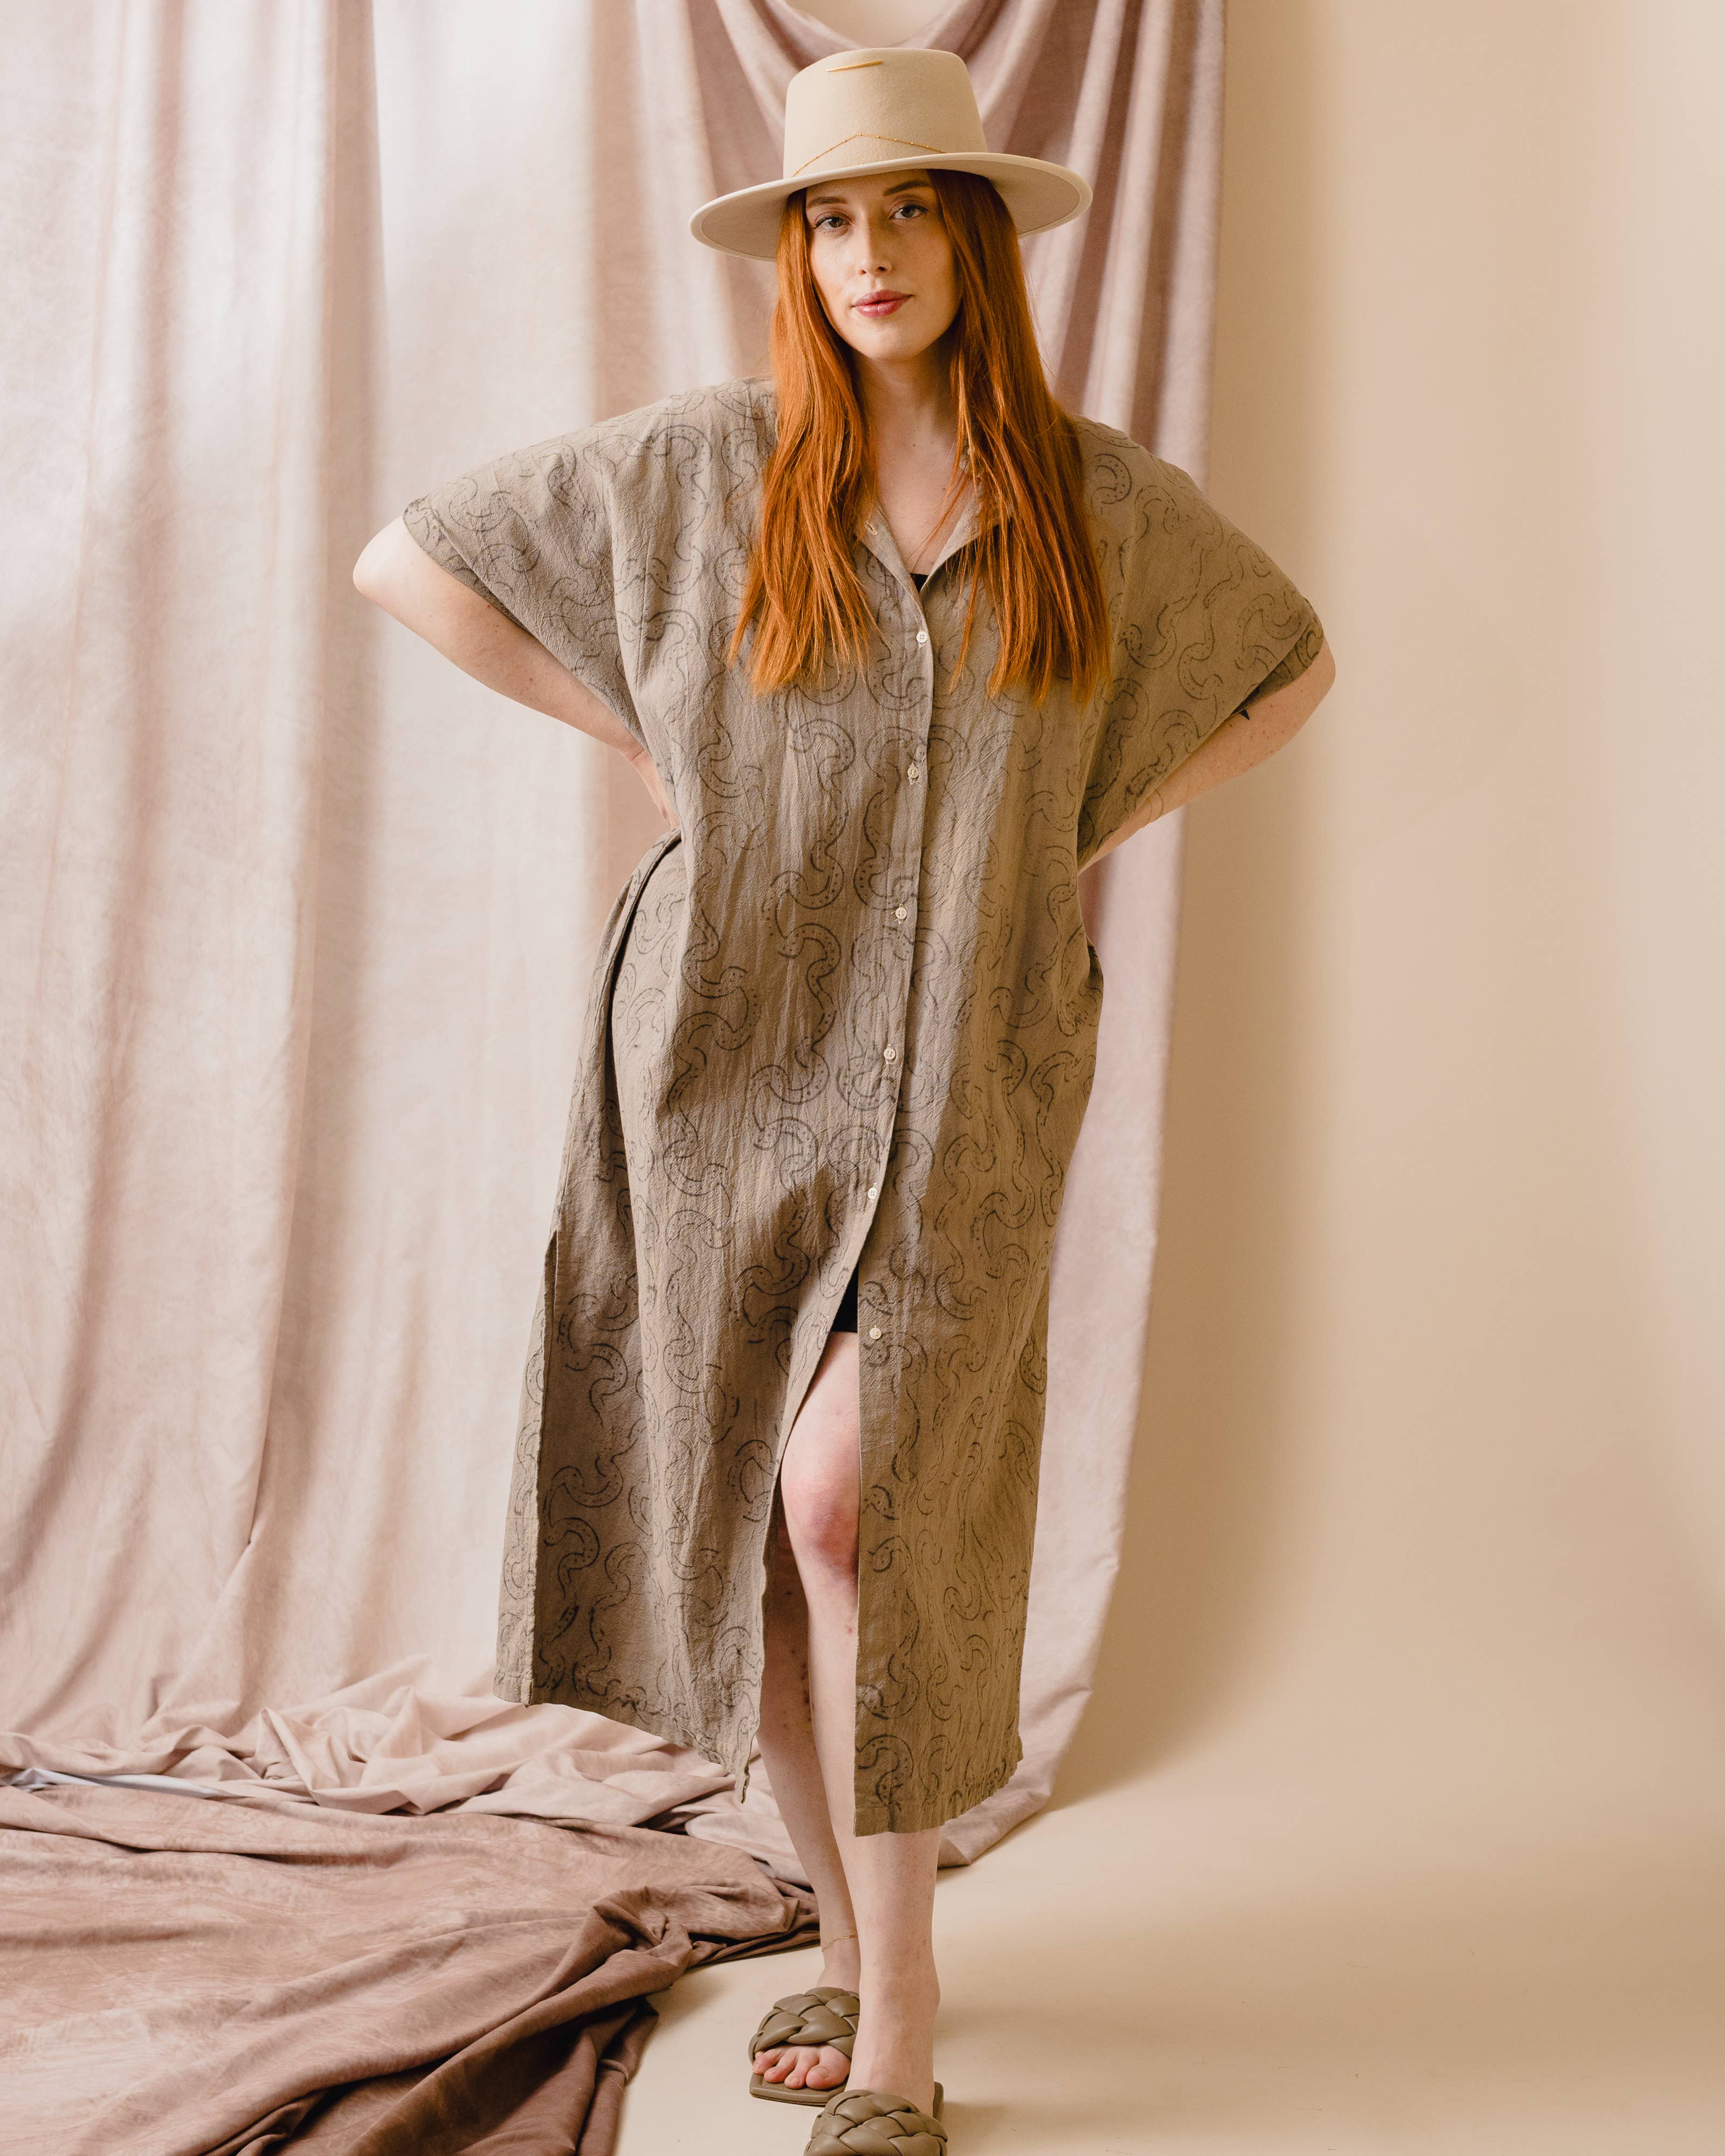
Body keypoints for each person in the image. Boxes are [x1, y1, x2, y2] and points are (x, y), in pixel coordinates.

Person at [354, 44, 1334, 2155]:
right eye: (826, 218)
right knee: (763, 1522)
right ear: (791, 255)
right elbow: (407, 565)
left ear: (971, 237)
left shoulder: (1090, 503)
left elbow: (1287, 665)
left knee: (845, 1503)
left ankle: (899, 2004)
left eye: (904, 210)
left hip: (975, 1075)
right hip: (723, 1059)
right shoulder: (708, 471)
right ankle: (848, 1931)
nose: (866, 252)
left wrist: (1093, 815)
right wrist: (644, 739)